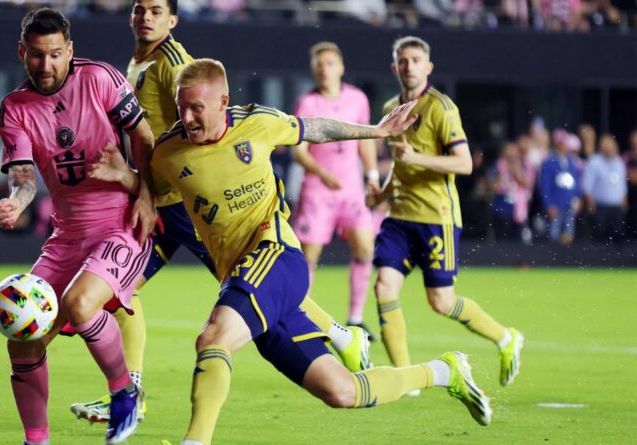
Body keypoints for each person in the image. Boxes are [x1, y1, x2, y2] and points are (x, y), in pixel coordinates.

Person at [99, 58, 493, 445]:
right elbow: (152, 192)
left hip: (276, 255)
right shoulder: (169, 152)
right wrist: (124, 176)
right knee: (342, 391)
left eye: (196, 107)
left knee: (213, 339)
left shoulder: (256, 123)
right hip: (246, 280)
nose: (187, 117)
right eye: (182, 107)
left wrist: (375, 131)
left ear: (223, 102)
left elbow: (315, 128)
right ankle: (444, 371)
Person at [70, 0, 375, 424]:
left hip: (191, 205)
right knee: (119, 291)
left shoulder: (173, 61)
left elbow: (206, 109)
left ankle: (341, 336)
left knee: (252, 287)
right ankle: (129, 395)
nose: (145, 17)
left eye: (156, 10)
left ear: (173, 19)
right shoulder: (141, 60)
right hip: (160, 200)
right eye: (139, 8)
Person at [0, 8, 156, 445]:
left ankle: (124, 394)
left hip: (121, 224)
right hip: (66, 237)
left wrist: (145, 195)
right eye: (36, 55)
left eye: (54, 55)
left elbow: (143, 137)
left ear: (69, 51)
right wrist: (15, 203)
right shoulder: (15, 107)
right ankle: (36, 440)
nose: (45, 65)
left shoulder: (100, 78)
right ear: (22, 53)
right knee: (22, 339)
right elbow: (24, 179)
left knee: (80, 304)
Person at [367, 36, 524, 391]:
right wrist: (382, 195)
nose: (409, 66)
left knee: (441, 301)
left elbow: (464, 163)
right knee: (384, 287)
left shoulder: (441, 108)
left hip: (436, 217)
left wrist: (417, 158)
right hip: (399, 218)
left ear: (428, 67)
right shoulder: (391, 107)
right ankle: (406, 378)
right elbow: (400, 163)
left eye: (415, 60)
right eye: (403, 60)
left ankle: (506, 338)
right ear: (394, 68)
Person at [292, 42, 379, 337]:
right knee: (309, 257)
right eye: (319, 65)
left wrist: (372, 175)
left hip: (351, 189)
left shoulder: (357, 99)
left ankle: (355, 318)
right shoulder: (307, 104)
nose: (324, 69)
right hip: (318, 191)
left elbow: (365, 140)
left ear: (340, 67)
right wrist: (323, 174)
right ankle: (299, 317)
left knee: (365, 248)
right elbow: (299, 152)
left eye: (329, 63)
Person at [540, 129, 583, 245]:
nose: (564, 146)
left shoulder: (572, 162)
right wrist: (549, 204)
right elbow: (545, 186)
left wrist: (578, 198)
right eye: (562, 143)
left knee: (569, 236)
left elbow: (576, 182)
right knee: (554, 236)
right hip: (556, 205)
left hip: (569, 204)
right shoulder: (549, 162)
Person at [582, 133, 627, 243]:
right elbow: (587, 185)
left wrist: (624, 201)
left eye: (611, 146)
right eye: (606, 146)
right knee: (600, 238)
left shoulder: (619, 162)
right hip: (600, 207)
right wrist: (590, 203)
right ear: (601, 147)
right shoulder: (594, 162)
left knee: (617, 238)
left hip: (617, 207)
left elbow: (622, 185)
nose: (610, 149)